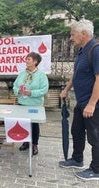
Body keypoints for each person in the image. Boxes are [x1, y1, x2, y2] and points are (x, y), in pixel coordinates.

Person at [59, 19, 99, 180]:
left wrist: (92, 103)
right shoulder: (82, 52)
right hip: (81, 102)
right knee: (76, 131)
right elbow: (76, 75)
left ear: (84, 34)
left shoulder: (95, 50)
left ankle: (96, 170)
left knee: (95, 137)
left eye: (72, 34)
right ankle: (77, 159)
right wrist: (66, 89)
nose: (70, 37)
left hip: (92, 104)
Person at [13, 52, 49, 155]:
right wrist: (18, 91)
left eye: (29, 59)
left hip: (34, 104)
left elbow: (44, 90)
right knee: (24, 123)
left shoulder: (41, 75)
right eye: (26, 59)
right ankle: (25, 142)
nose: (26, 61)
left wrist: (31, 93)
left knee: (34, 125)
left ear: (35, 62)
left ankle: (34, 144)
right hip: (22, 103)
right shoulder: (22, 74)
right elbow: (15, 85)